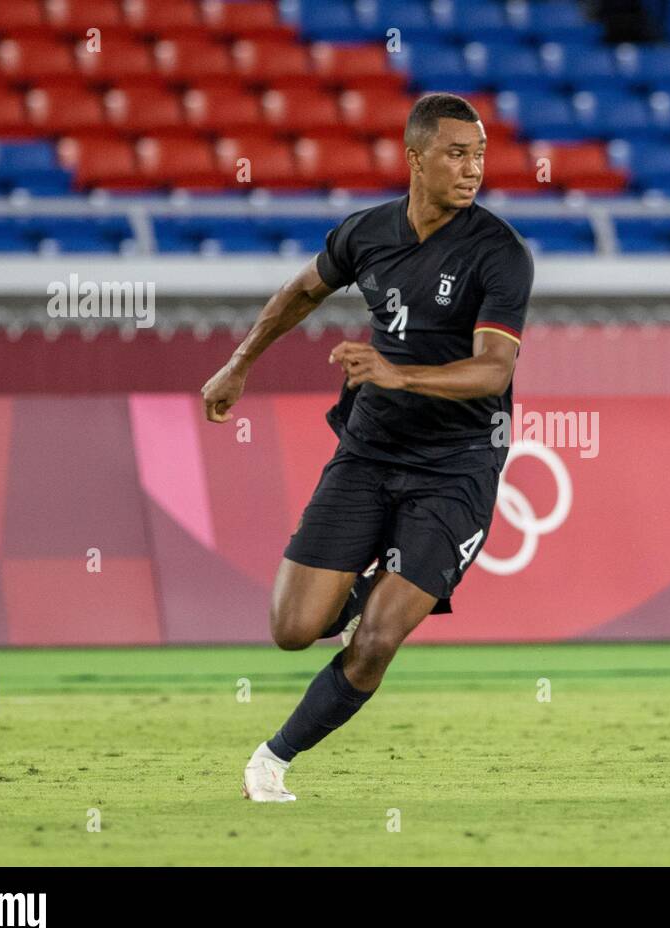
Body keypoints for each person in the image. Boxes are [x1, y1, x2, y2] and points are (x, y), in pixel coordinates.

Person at [200, 93, 534, 801]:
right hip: (370, 450)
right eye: (456, 153)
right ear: (414, 158)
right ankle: (365, 579)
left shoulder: (500, 253)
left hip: (456, 468)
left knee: (378, 639)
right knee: (293, 629)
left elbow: (494, 370)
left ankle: (273, 759)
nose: (473, 168)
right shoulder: (366, 233)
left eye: (479, 154)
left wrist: (396, 371)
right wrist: (240, 364)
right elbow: (300, 292)